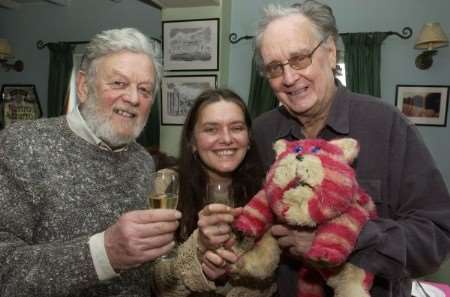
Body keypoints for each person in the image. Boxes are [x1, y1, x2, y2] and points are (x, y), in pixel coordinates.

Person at [246, 1, 450, 297]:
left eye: (300, 58)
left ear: (330, 53)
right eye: (275, 68)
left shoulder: (387, 124)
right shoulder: (263, 132)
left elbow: (436, 235)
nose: (289, 78)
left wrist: (346, 239)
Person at [0, 28, 181, 296]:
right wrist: (103, 253)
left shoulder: (143, 162)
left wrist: (197, 260)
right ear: (84, 87)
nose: (133, 98)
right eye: (119, 83)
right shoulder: (21, 145)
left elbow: (144, 266)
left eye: (145, 89)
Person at [149, 88, 276, 297]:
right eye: (211, 129)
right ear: (192, 141)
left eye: (236, 128)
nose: (226, 139)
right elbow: (157, 280)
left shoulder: (267, 189)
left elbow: (274, 275)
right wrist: (198, 251)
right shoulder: (166, 186)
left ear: (249, 138)